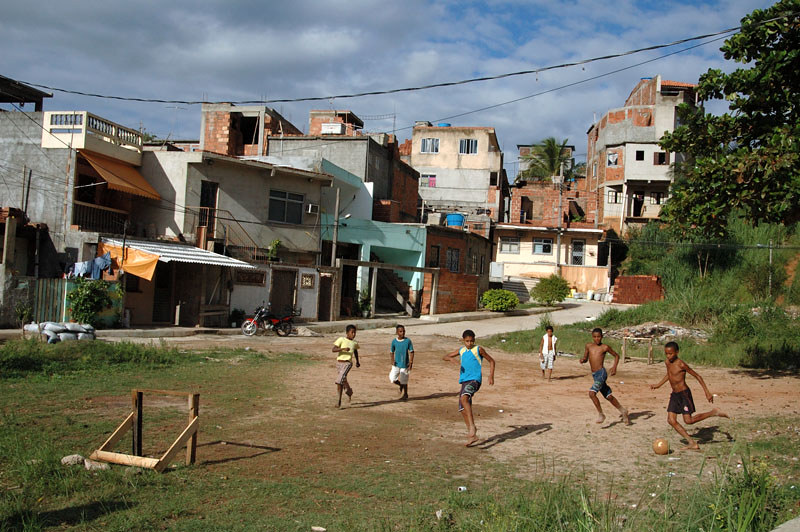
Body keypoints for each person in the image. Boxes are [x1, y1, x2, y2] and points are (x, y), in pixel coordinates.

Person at [650, 341, 729, 450]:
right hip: (675, 395)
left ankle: (713, 412)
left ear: (677, 352)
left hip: (684, 394)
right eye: (666, 354)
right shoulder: (667, 362)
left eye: (671, 354)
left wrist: (707, 392)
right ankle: (691, 443)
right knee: (671, 420)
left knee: (689, 421)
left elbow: (698, 376)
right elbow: (669, 374)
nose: (668, 356)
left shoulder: (681, 364)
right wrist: (658, 385)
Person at [443, 329, 496, 446]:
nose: (469, 343)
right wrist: (451, 359)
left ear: (474, 340)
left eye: (471, 341)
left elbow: (492, 361)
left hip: (474, 380)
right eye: (467, 341)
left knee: (464, 398)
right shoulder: (461, 350)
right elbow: (445, 356)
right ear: (463, 341)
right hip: (464, 381)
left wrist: (491, 375)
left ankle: (472, 428)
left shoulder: (478, 349)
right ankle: (473, 435)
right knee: (462, 409)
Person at [580, 328, 630, 425]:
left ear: (602, 337)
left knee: (592, 393)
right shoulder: (588, 346)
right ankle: (623, 411)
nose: (597, 339)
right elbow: (586, 358)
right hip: (595, 375)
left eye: (598, 337)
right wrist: (583, 360)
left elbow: (616, 355)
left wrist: (614, 367)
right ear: (592, 337)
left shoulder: (604, 347)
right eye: (595, 337)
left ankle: (601, 414)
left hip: (601, 373)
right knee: (608, 396)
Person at [332, 324, 360, 408]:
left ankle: (338, 401)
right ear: (347, 333)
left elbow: (355, 352)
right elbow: (333, 349)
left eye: (355, 332)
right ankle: (349, 392)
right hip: (339, 363)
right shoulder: (341, 339)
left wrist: (357, 361)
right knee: (343, 381)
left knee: (339, 381)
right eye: (352, 332)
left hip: (347, 363)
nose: (354, 334)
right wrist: (343, 349)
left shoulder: (354, 343)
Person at [389, 324, 414, 400]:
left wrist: (411, 362)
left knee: (404, 380)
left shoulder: (408, 341)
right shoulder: (394, 341)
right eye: (400, 331)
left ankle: (405, 394)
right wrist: (392, 360)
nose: (402, 333)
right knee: (392, 378)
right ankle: (400, 385)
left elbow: (412, 352)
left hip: (404, 364)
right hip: (396, 364)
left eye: (403, 331)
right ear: (397, 332)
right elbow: (391, 351)